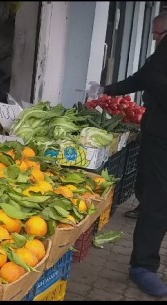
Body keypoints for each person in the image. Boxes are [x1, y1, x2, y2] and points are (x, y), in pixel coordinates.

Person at [100, 11, 167, 297]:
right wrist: (109, 90)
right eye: (153, 34)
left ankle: (144, 265)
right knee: (158, 198)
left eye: (158, 34)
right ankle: (142, 265)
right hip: (162, 131)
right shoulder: (163, 54)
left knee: (159, 199)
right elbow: (147, 77)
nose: (154, 39)